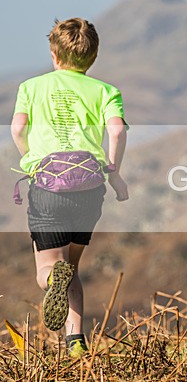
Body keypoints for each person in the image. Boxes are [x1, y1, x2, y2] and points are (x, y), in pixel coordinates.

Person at [10, 18, 129, 358]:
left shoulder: (31, 88)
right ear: (93, 56)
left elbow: (18, 128)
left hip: (49, 186)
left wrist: (31, 159)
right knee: (72, 267)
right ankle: (76, 342)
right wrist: (114, 173)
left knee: (48, 270)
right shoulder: (107, 92)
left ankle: (52, 282)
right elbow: (118, 132)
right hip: (89, 189)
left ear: (54, 55)